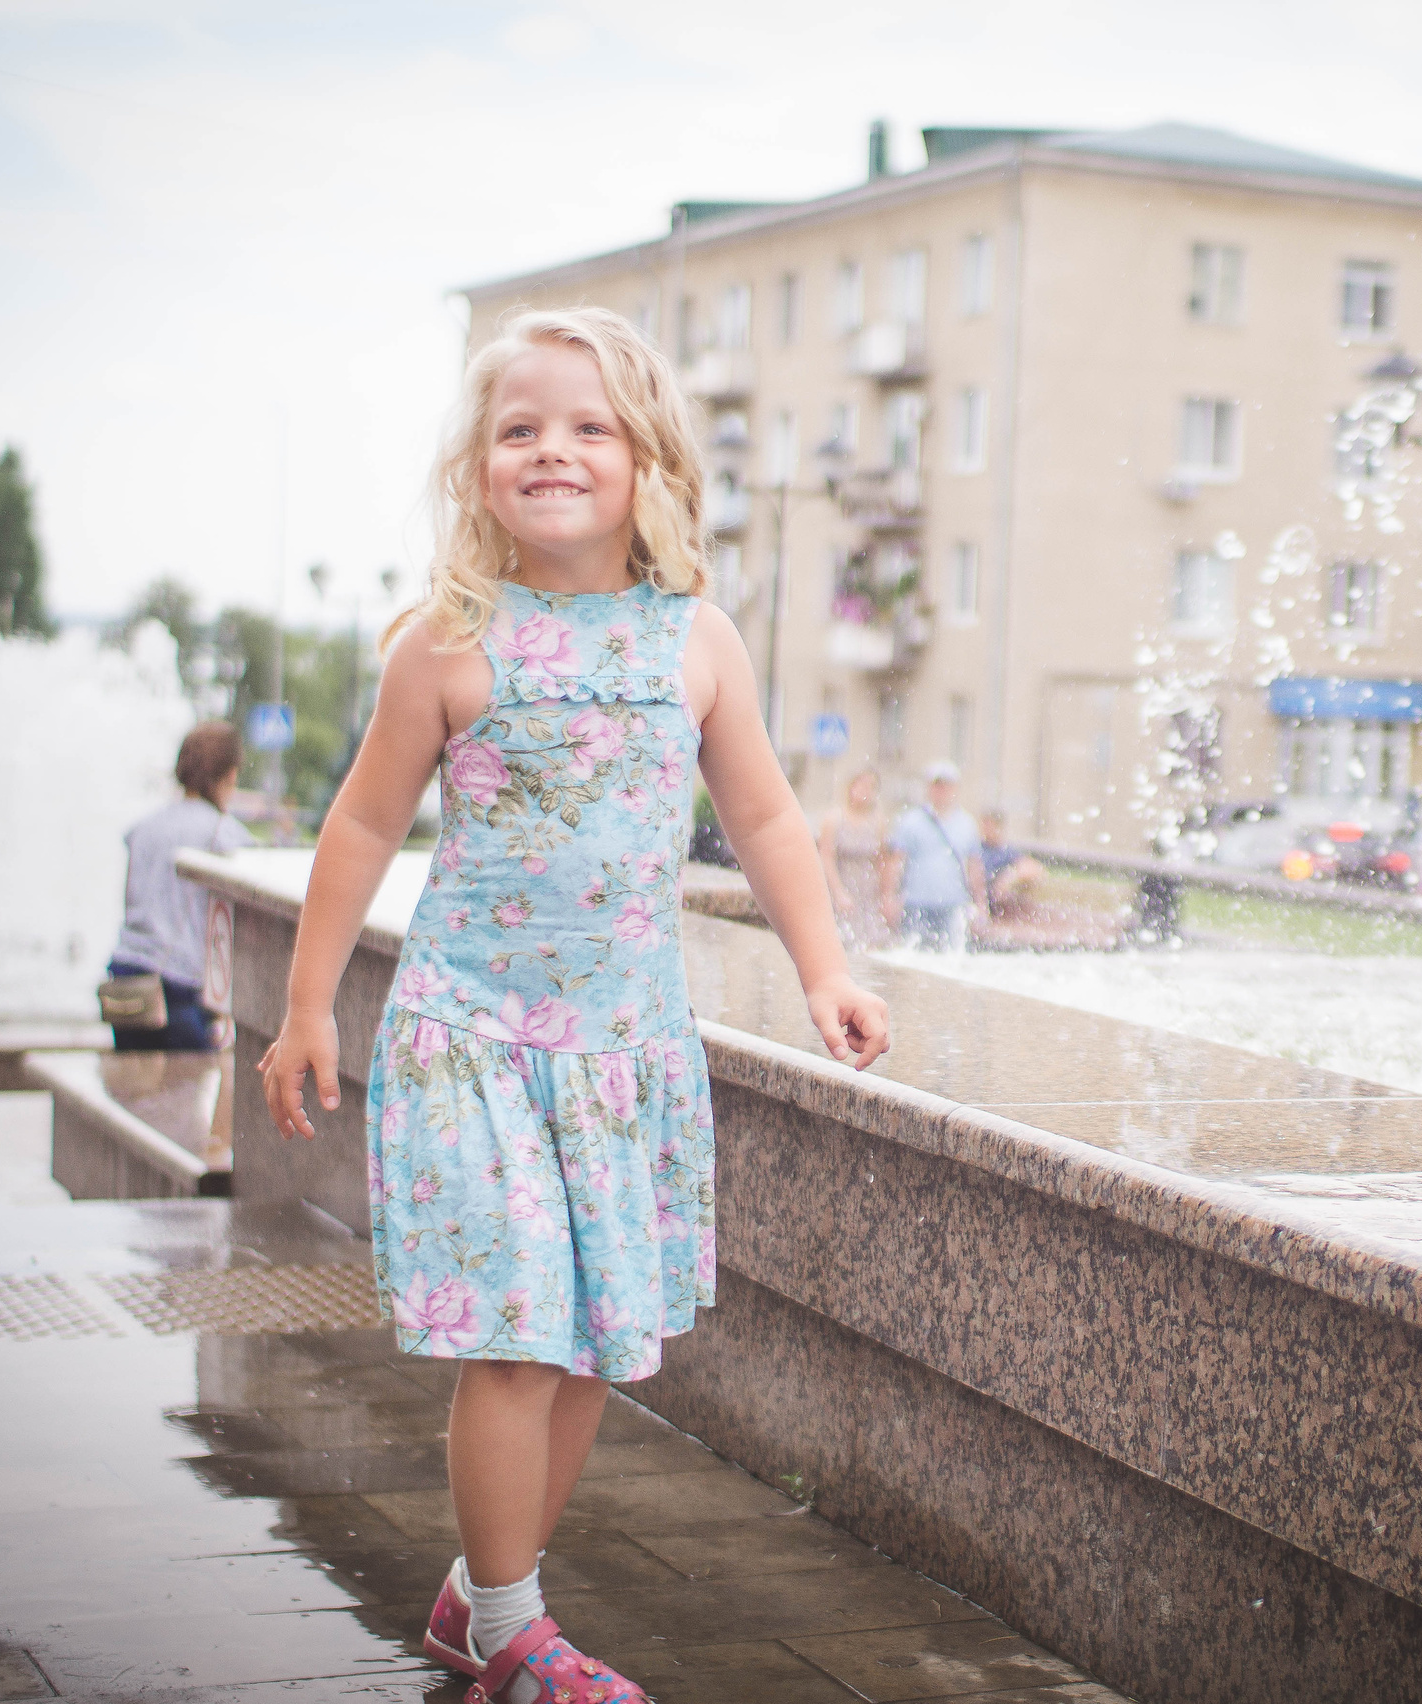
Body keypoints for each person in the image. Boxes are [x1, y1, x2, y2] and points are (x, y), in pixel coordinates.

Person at [256, 307, 889, 1704]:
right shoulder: (447, 641)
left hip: (623, 1052)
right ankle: (513, 1635)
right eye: (521, 428)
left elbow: (769, 815)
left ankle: (483, 1595)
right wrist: (308, 1009)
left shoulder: (694, 638)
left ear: (648, 458)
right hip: (472, 1044)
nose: (554, 450)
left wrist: (826, 968)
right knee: (520, 1335)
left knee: (599, 1337)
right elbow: (361, 831)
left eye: (588, 426)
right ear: (480, 467)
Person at [107, 722, 251, 1052]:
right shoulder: (224, 834)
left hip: (127, 978)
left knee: (134, 1090)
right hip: (177, 984)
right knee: (184, 1089)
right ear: (228, 775)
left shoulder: (143, 828)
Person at [882, 761, 984, 949]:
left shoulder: (967, 824)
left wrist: (980, 903)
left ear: (955, 789)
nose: (942, 790)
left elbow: (974, 866)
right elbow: (896, 861)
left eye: (947, 785)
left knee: (952, 955)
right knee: (914, 955)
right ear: (929, 788)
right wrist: (889, 896)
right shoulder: (911, 821)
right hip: (916, 904)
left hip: (953, 904)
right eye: (937, 785)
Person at [817, 766, 888, 947]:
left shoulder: (878, 821)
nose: (864, 791)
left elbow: (882, 860)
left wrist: (885, 895)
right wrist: (838, 892)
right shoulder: (834, 819)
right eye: (861, 785)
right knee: (840, 939)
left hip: (867, 889)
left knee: (870, 941)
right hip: (842, 882)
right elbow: (826, 857)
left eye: (870, 787)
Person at [975, 808, 1045, 918]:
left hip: (996, 904)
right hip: (976, 902)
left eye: (990, 825)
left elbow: (1034, 869)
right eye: (984, 825)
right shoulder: (976, 848)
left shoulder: (1006, 852)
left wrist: (1008, 878)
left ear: (999, 828)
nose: (986, 829)